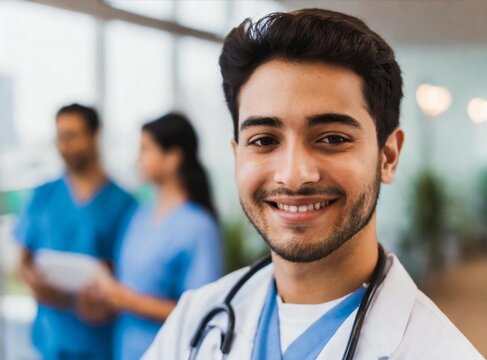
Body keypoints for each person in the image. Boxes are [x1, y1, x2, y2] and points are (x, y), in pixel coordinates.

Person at [142, 9, 484, 360]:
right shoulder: (193, 322)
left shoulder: (440, 351)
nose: (293, 175)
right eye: (263, 140)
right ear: (237, 155)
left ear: (388, 156)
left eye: (332, 138)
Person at [90, 113, 223, 360]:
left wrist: (125, 299)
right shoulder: (138, 216)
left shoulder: (198, 227)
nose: (137, 159)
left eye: (145, 149)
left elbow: (202, 312)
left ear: (172, 158)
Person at [14, 103, 136, 359]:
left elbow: (131, 270)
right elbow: (23, 260)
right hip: (50, 338)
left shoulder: (123, 204)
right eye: (60, 137)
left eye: (72, 136)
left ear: (95, 136)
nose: (64, 145)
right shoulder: (44, 195)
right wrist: (35, 282)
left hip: (99, 339)